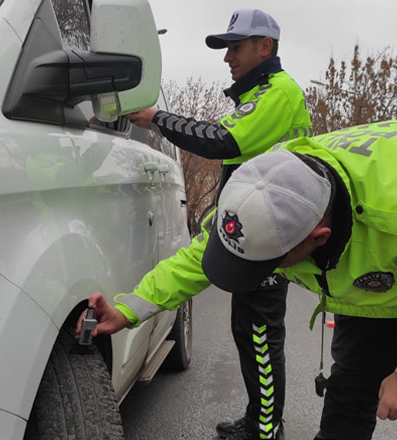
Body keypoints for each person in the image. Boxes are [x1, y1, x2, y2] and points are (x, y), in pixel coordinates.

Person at [109, 119, 397, 440]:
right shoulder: (272, 185)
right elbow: (194, 259)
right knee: (348, 398)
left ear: (318, 237)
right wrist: (128, 309)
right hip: (385, 271)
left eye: (270, 265)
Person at [121, 8, 311, 440]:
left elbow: (221, 140)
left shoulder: (278, 92)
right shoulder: (258, 95)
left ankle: (266, 429)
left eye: (236, 47)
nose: (227, 58)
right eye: (226, 49)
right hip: (257, 232)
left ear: (266, 47)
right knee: (248, 332)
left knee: (261, 337)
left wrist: (156, 118)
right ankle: (257, 418)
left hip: (270, 238)